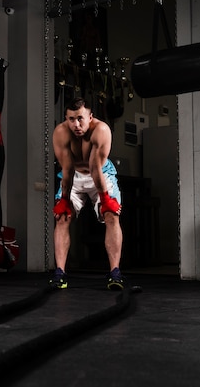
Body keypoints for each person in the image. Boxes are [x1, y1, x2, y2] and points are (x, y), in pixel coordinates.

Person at [50, 97, 124, 290]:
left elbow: (95, 168)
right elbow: (67, 170)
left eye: (80, 119)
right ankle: (60, 273)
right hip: (74, 175)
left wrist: (106, 199)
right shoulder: (61, 133)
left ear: (90, 117)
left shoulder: (101, 131)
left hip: (100, 174)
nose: (76, 124)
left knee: (111, 215)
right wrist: (64, 200)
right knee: (62, 217)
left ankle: (115, 272)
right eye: (71, 119)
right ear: (66, 118)